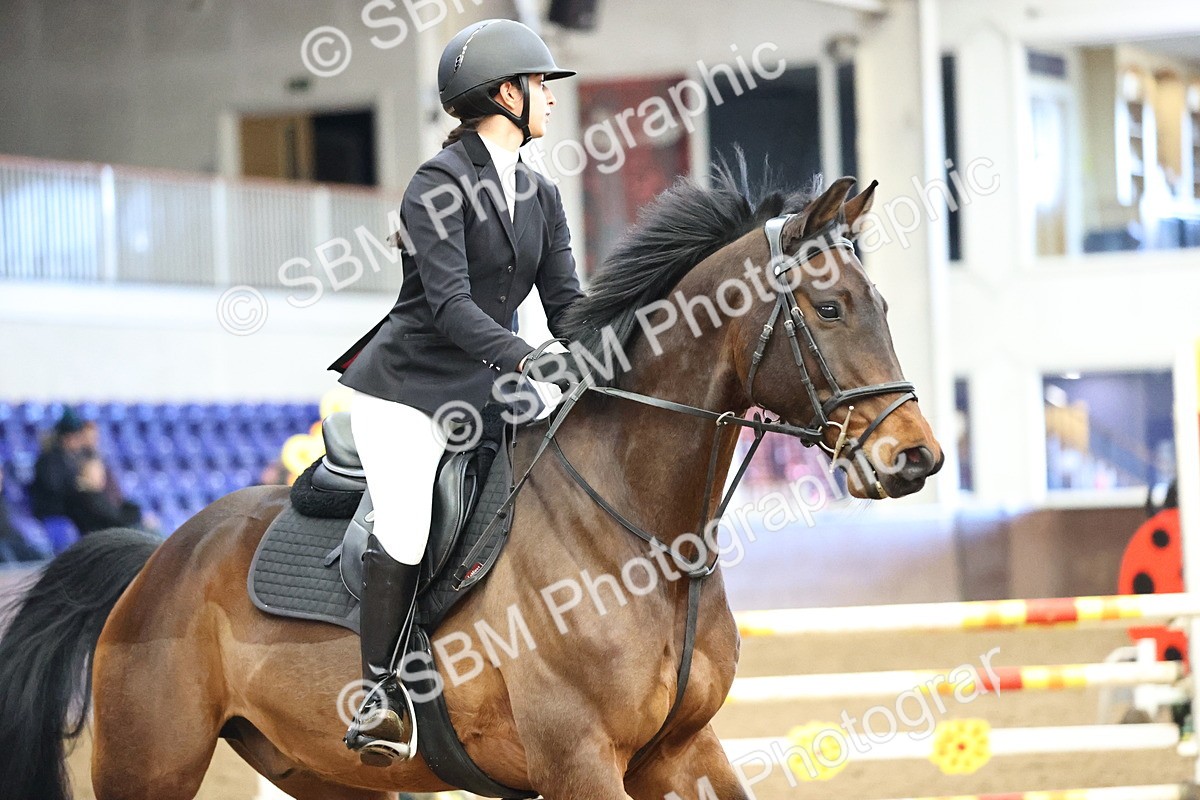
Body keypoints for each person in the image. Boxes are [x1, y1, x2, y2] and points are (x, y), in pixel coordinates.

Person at [327, 19, 585, 766]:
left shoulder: (538, 192)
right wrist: (527, 359)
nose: (549, 101)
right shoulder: (436, 186)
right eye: (540, 87)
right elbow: (448, 305)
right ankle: (378, 694)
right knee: (406, 522)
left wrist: (613, 351)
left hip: (486, 386)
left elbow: (567, 304)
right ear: (506, 95)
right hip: (406, 388)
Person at [29, 408, 90, 520]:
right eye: (77, 437)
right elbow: (54, 489)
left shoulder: (74, 457)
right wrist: (79, 484)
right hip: (54, 513)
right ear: (66, 438)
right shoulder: (49, 460)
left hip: (69, 510)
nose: (80, 441)